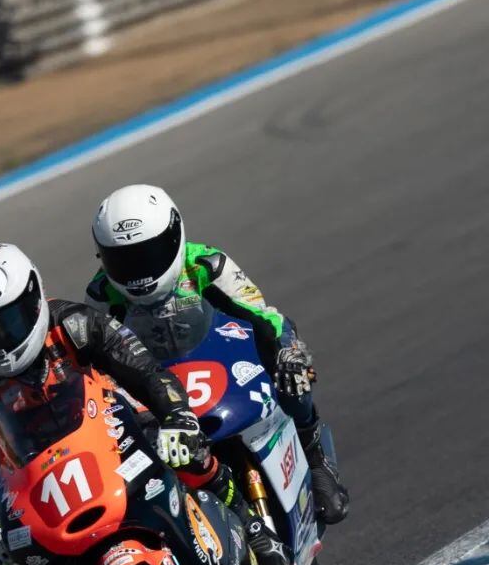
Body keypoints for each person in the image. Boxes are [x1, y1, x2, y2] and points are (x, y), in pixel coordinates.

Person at [0, 242, 294, 565]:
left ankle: (253, 529)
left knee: (182, 448)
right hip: (41, 466)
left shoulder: (75, 323)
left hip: (113, 426)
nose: (0, 343)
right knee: (29, 545)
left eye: (8, 321)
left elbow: (145, 371)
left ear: (34, 299)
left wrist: (177, 415)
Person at [85, 184, 349, 525]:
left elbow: (263, 314)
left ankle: (314, 458)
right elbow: (98, 361)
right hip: (160, 382)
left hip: (222, 358)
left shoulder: (207, 263)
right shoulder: (102, 293)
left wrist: (287, 350)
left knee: (291, 366)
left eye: (149, 255)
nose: (140, 272)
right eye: (124, 261)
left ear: (174, 235)